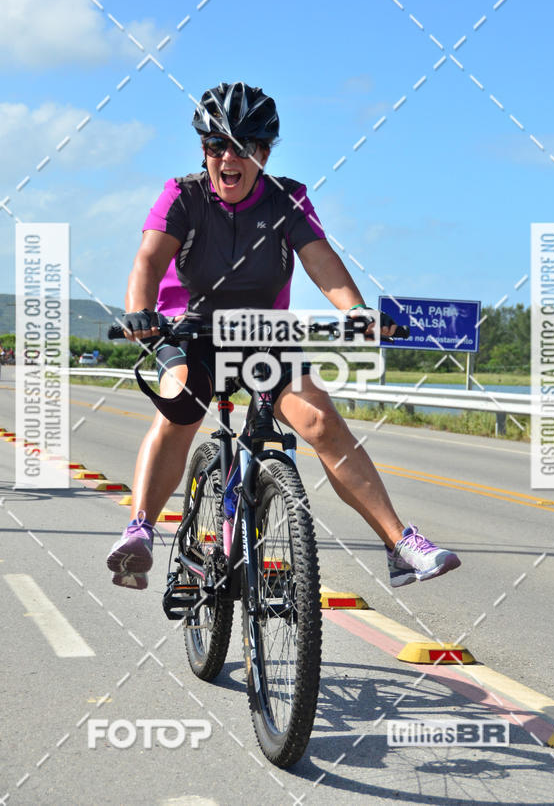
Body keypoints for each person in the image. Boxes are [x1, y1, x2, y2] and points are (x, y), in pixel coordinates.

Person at [106, 82, 460, 590]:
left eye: (243, 146)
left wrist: (356, 310)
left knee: (320, 422)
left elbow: (320, 260)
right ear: (203, 148)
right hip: (188, 329)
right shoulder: (182, 195)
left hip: (260, 334)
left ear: (265, 153)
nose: (228, 158)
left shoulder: (287, 199)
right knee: (181, 404)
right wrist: (140, 313)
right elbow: (149, 259)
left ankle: (400, 545)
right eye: (216, 145)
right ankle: (139, 530)